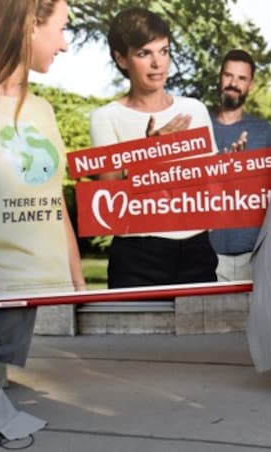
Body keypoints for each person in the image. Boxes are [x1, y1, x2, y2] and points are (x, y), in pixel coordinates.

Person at [0, 0, 85, 385]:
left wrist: (75, 278)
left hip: (38, 287)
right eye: (61, 29)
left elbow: (53, 198)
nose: (65, 45)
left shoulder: (43, 110)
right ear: (30, 26)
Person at [90, 7, 219, 289]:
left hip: (197, 252)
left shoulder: (194, 110)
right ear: (121, 59)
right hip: (138, 257)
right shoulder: (105, 118)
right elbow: (109, 209)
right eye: (144, 53)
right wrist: (150, 152)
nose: (158, 63)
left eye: (164, 51)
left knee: (204, 334)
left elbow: (211, 188)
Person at [208, 49, 271, 281]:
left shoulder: (264, 132)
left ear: (251, 84)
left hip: (255, 256)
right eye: (228, 76)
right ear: (219, 78)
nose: (233, 84)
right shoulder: (199, 125)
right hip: (207, 256)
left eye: (241, 78)